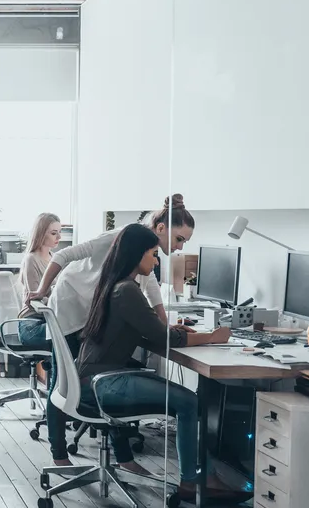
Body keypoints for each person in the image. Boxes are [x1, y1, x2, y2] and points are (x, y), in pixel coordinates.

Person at [23, 194, 195, 469]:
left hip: (94, 310)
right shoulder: (120, 237)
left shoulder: (144, 252)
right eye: (179, 239)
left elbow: (150, 287)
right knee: (64, 381)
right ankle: (59, 455)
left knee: (106, 371)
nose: (179, 246)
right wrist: (42, 290)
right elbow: (66, 255)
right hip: (71, 306)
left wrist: (163, 324)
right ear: (161, 228)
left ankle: (124, 458)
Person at [77, 223, 247, 502]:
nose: (156, 261)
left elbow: (158, 331)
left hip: (91, 379)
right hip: (104, 383)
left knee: (186, 400)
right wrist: (213, 336)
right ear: (137, 255)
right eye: (153, 254)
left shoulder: (116, 285)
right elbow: (167, 339)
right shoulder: (126, 290)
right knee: (189, 403)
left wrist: (180, 332)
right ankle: (193, 481)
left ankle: (201, 475)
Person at [15, 212, 63, 350]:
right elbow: (35, 301)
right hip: (31, 325)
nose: (59, 237)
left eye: (60, 232)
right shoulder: (31, 259)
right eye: (54, 233)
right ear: (41, 233)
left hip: (49, 320)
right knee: (68, 335)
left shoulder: (55, 258)